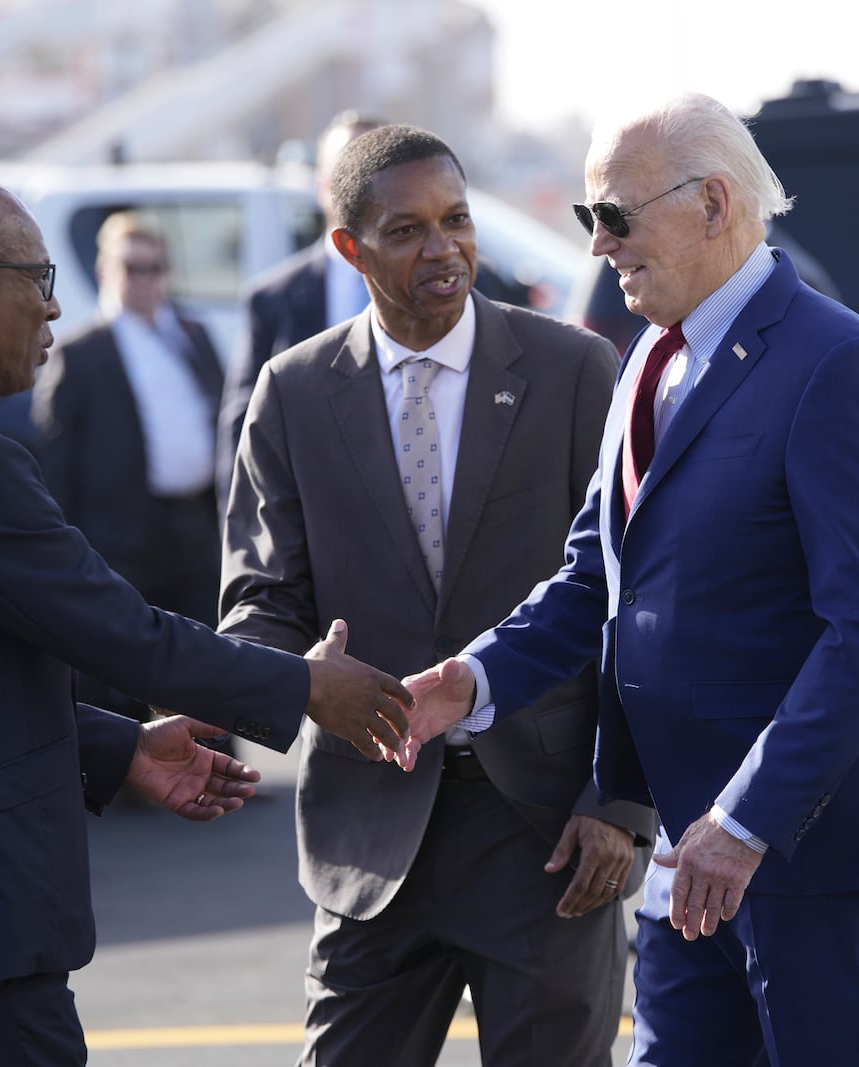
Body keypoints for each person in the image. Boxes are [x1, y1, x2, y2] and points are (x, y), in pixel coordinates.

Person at [0, 173, 413, 1067]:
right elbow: (125, 633)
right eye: (38, 278)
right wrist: (306, 686)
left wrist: (120, 749)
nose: (55, 307)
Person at [398, 95, 859, 1066]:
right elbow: (593, 576)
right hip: (677, 848)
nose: (597, 247)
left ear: (713, 203)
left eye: (614, 217)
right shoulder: (646, 359)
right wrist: (471, 678)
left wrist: (746, 819)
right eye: (589, 219)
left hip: (799, 847)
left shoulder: (833, 361)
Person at [219, 125, 656, 1067]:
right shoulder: (292, 391)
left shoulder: (574, 371)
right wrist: (295, 675)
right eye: (408, 229)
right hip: (369, 839)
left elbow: (636, 600)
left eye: (456, 220)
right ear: (350, 247)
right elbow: (259, 593)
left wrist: (618, 804)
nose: (445, 248)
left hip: (546, 837)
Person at [33, 212, 224, 721]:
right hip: (117, 534)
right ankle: (126, 771)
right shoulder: (79, 352)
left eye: (155, 267)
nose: (144, 279)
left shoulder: (193, 335)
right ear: (104, 271)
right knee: (120, 654)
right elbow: (56, 461)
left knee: (204, 644)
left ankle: (215, 757)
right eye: (132, 267)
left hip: (193, 526)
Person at [218, 110, 385, 455]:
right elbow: (245, 425)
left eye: (373, 169)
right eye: (346, 170)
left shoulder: (443, 286)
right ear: (321, 187)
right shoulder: (271, 300)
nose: (360, 185)